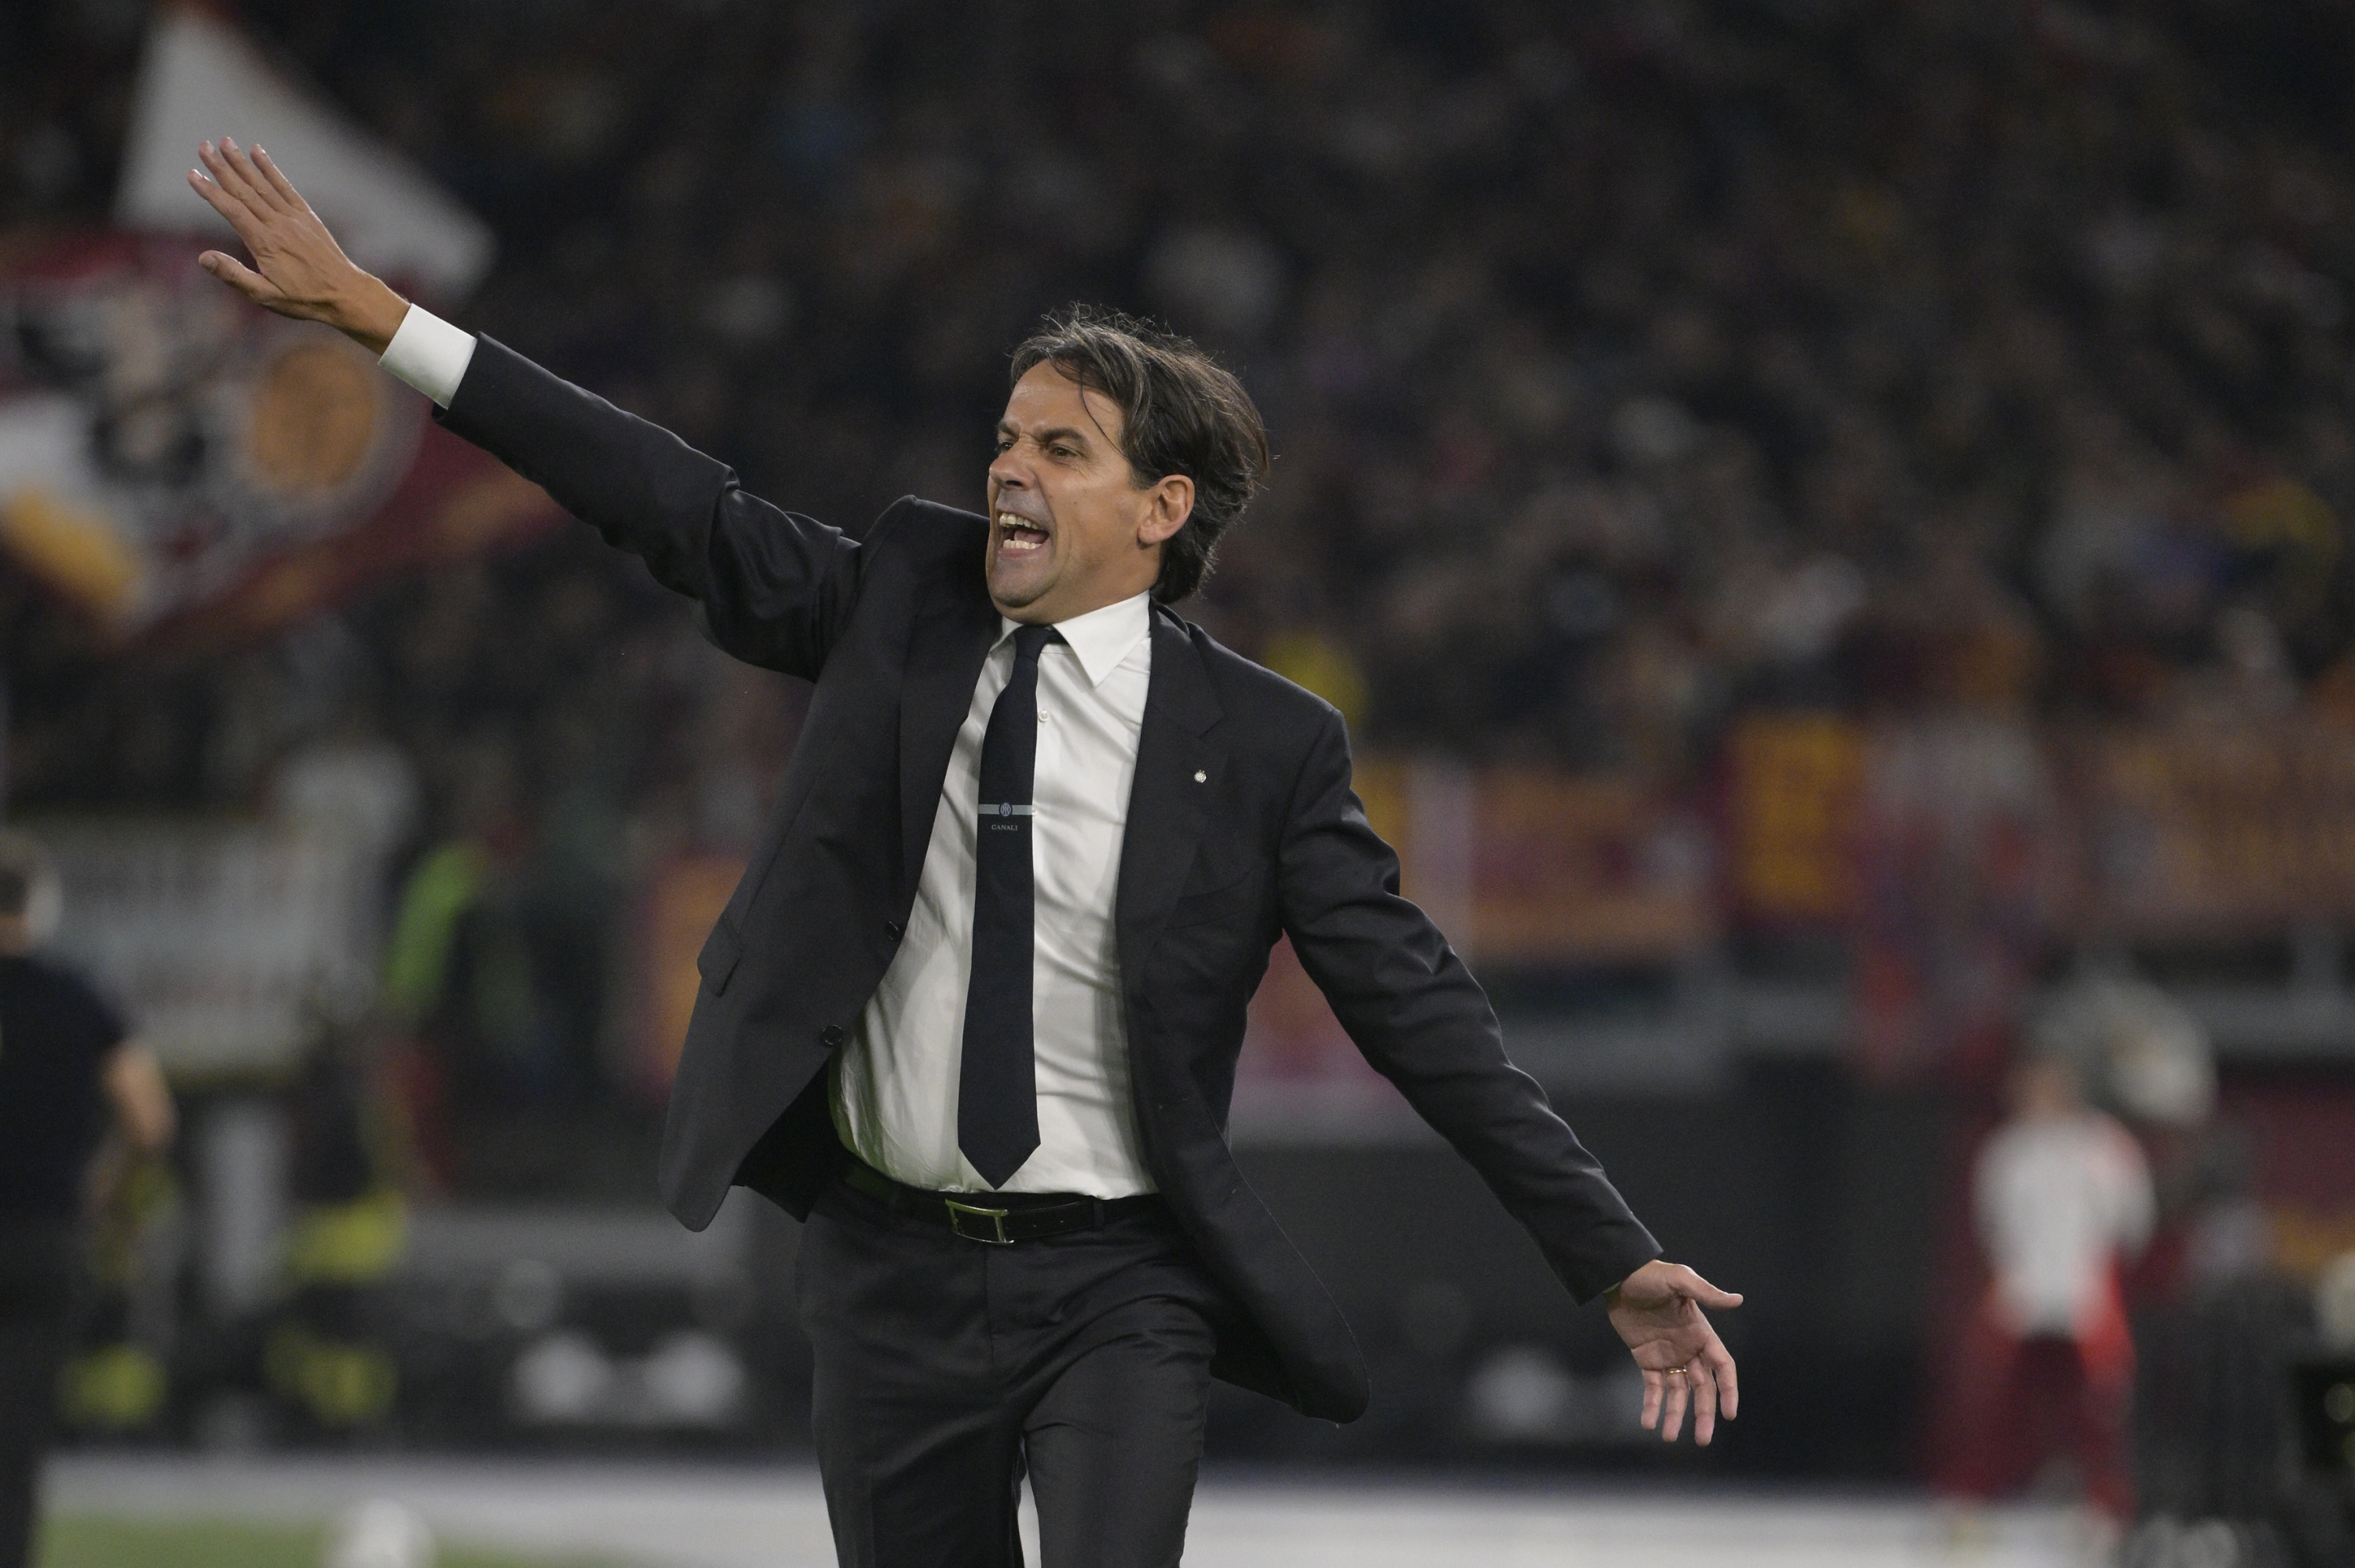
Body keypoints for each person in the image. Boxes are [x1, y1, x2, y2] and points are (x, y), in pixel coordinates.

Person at [189, 137, 1741, 1566]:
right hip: (887, 1274)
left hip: (1122, 1286)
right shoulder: (900, 608)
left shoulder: (1269, 747)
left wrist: (1609, 1255)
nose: (1010, 468)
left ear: (1161, 509)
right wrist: (392, 325)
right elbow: (670, 502)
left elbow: (1425, 1017)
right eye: (1008, 437)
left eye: (1061, 449)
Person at [0, 833, 176, 1568]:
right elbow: (149, 1118)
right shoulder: (77, 993)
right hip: (46, 1233)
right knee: (18, 1438)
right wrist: (104, 1181)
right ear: (37, 905)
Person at [1944, 1053, 2152, 1521]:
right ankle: (1972, 1503)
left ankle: (2104, 1507)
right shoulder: (2008, 1151)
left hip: (2086, 1300)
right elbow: (1991, 1226)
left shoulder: (2106, 1148)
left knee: (2100, 1412)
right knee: (1992, 1404)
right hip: (2021, 1295)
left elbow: (2133, 1225)